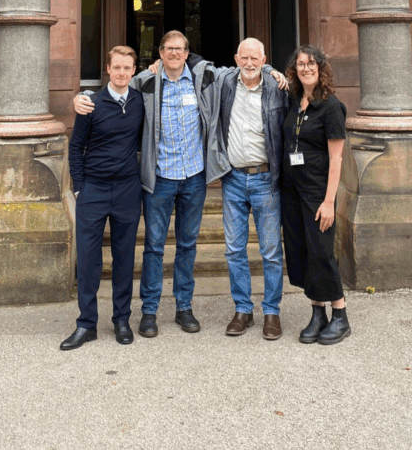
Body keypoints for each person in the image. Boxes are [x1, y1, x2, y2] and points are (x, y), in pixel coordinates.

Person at [75, 30, 234, 337]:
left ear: (187, 53)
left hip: (194, 178)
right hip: (159, 178)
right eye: (168, 48)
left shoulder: (205, 79)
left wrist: (269, 69)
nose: (174, 53)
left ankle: (184, 307)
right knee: (154, 247)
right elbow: (112, 89)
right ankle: (149, 311)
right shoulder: (145, 83)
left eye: (180, 48)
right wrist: (80, 98)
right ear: (160, 53)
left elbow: (241, 69)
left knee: (187, 246)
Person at [60, 45, 144, 351]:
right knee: (89, 260)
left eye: (127, 68)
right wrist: (80, 187)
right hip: (93, 190)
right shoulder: (89, 103)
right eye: (117, 67)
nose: (122, 73)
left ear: (134, 70)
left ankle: (121, 320)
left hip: (127, 191)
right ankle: (86, 324)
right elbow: (75, 147)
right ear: (108, 69)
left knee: (124, 259)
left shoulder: (139, 101)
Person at [218, 38, 287, 340]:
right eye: (244, 58)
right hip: (232, 179)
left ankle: (271, 311)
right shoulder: (225, 84)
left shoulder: (277, 89)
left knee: (271, 251)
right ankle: (243, 309)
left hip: (265, 180)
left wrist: (273, 71)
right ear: (236, 59)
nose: (249, 63)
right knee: (234, 250)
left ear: (263, 60)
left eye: (255, 59)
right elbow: (192, 64)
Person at [281, 45, 351, 345]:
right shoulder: (295, 100)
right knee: (304, 252)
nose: (306, 69)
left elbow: (337, 158)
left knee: (322, 251)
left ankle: (340, 314)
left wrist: (329, 202)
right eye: (300, 65)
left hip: (317, 192)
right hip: (292, 192)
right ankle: (317, 313)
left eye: (311, 64)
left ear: (321, 68)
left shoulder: (331, 106)